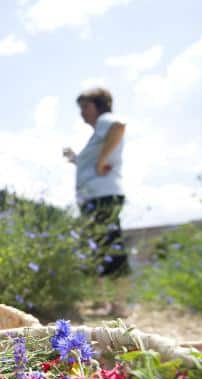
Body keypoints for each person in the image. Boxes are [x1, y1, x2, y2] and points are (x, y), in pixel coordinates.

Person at [64, 87, 130, 314]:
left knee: (110, 245)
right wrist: (77, 159)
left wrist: (102, 160)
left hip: (102, 196)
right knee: (99, 248)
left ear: (99, 105)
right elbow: (90, 164)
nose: (82, 112)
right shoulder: (96, 134)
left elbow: (119, 126)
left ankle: (119, 304)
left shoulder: (106, 120)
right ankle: (106, 303)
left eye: (85, 106)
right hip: (93, 196)